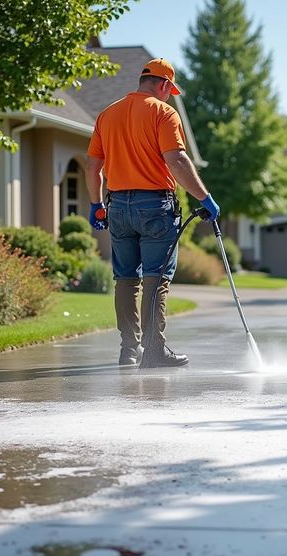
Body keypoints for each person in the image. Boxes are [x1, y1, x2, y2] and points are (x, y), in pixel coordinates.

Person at [84, 57, 220, 368]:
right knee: (155, 279)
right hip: (155, 207)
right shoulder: (163, 113)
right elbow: (177, 162)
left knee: (125, 279)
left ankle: (129, 351)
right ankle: (155, 350)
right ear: (162, 84)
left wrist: (96, 205)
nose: (170, 95)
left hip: (117, 207)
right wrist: (205, 197)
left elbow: (93, 166)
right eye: (169, 89)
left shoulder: (107, 114)